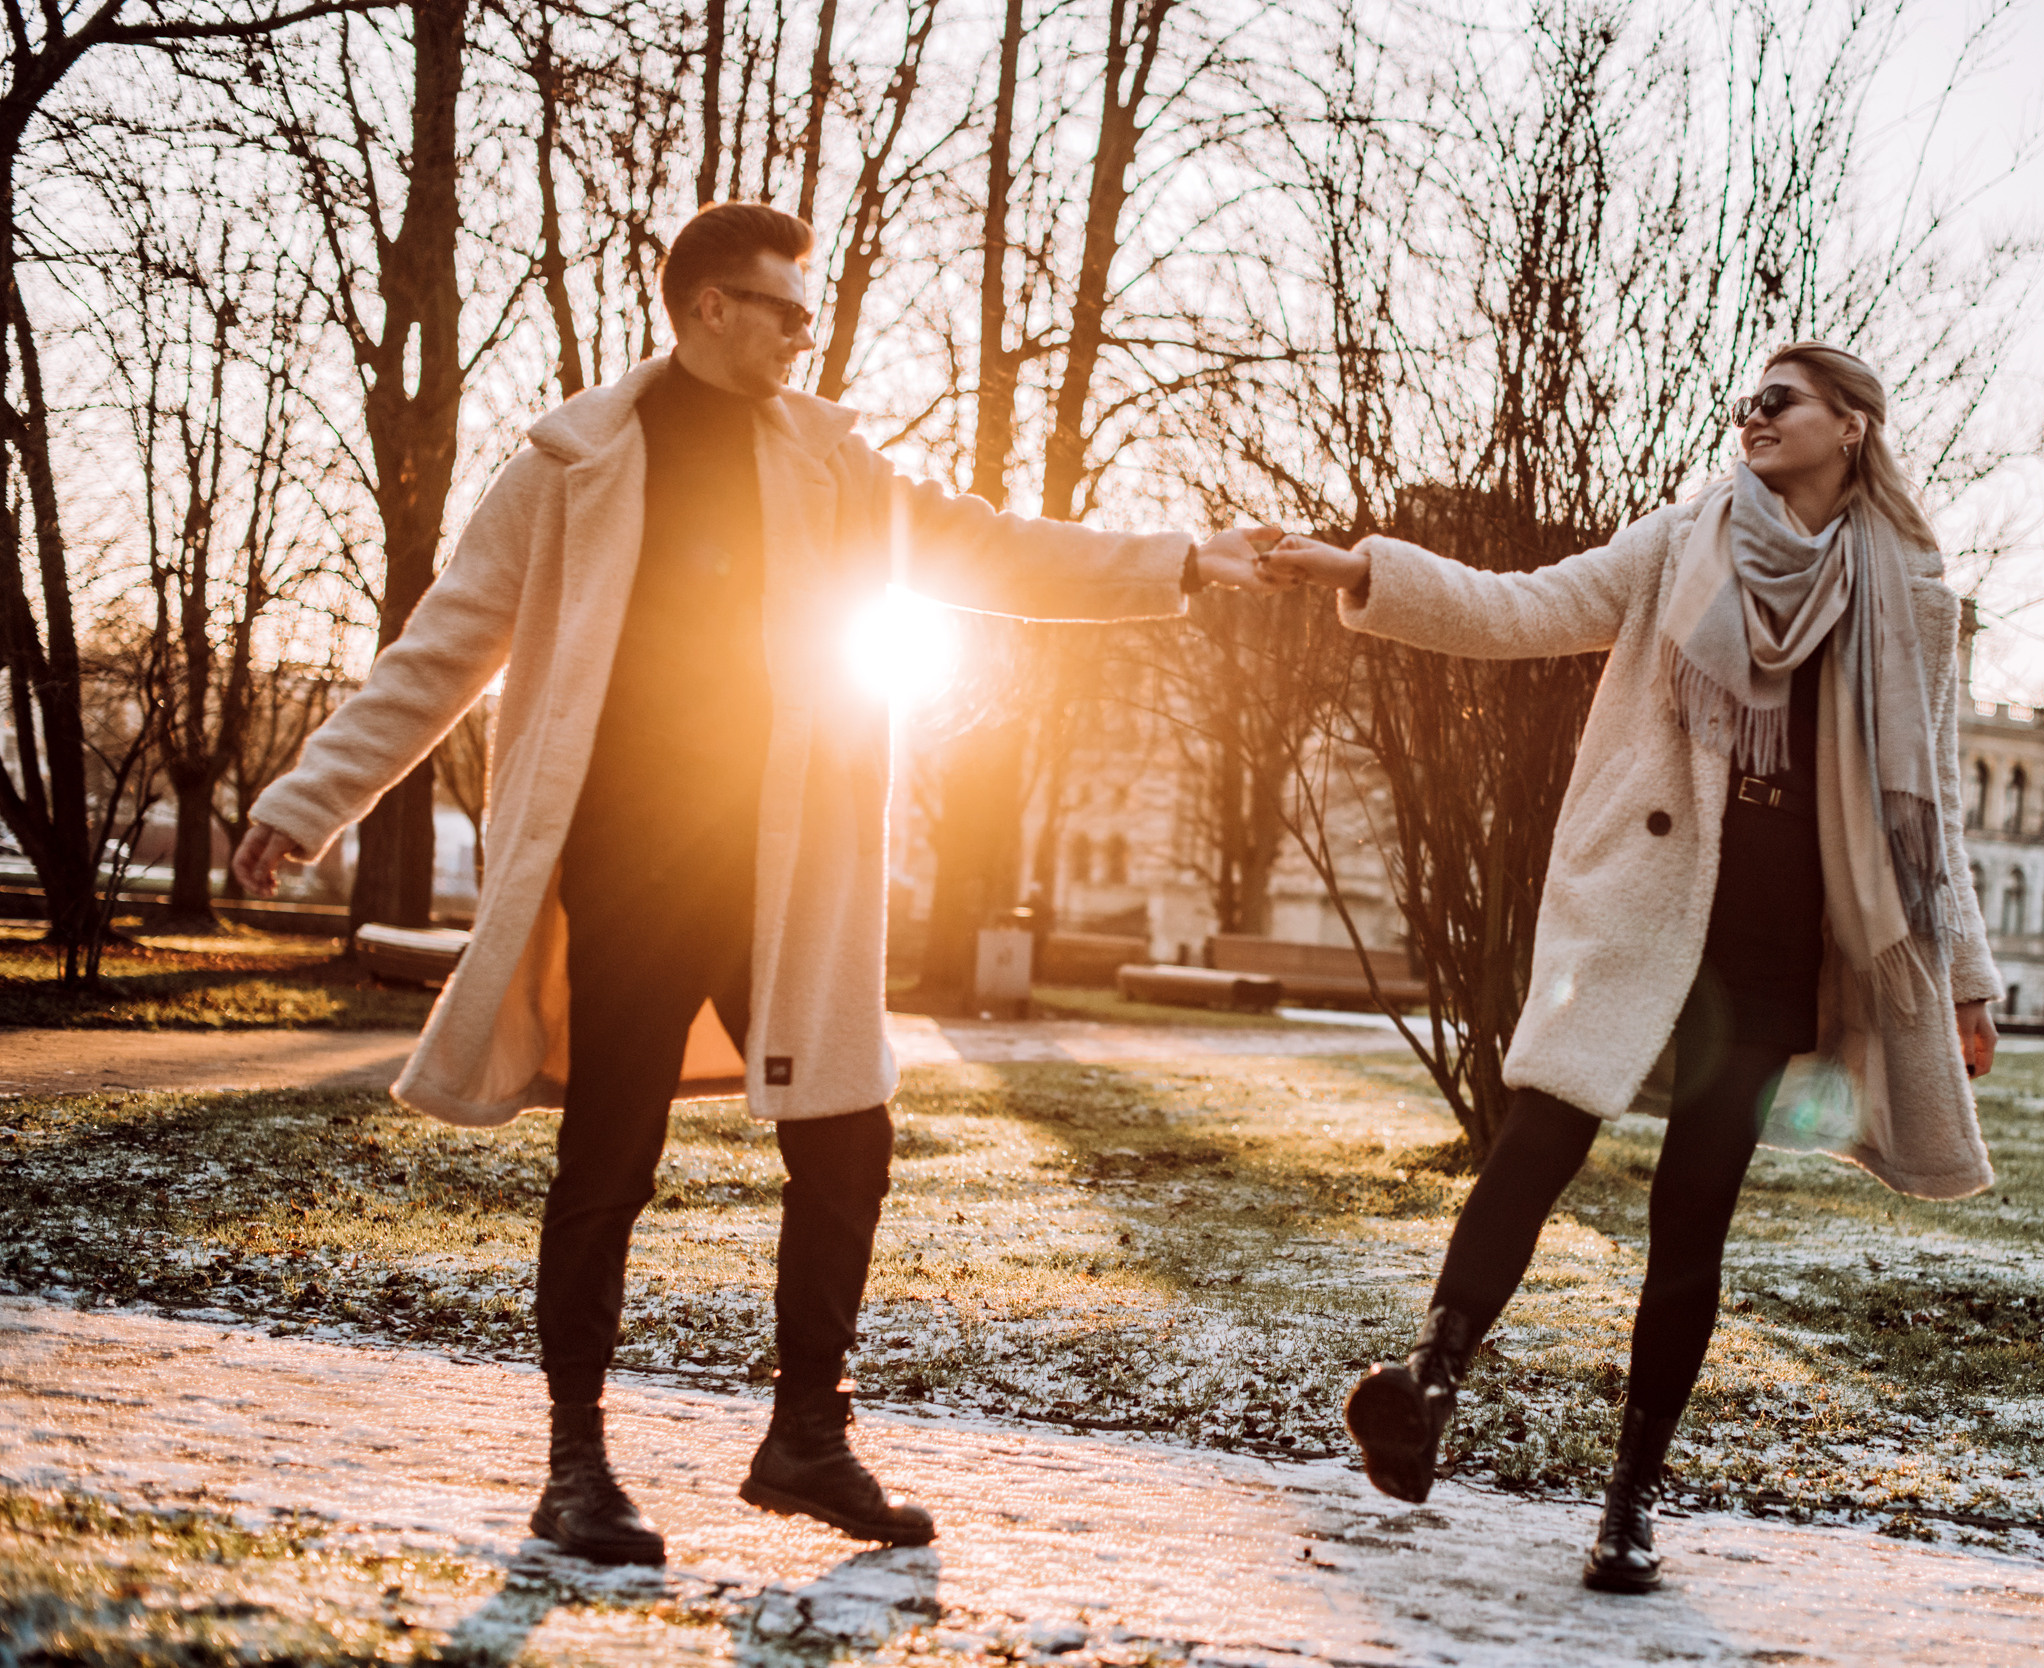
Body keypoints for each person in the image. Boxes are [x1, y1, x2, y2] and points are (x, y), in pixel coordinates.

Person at [233, 202, 1287, 1567]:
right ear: (708, 307)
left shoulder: (831, 466)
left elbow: (988, 547)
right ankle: (575, 1464)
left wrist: (1184, 560)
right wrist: (309, 803)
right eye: (788, 308)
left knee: (849, 1133)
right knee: (609, 1153)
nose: (810, 332)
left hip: (785, 870)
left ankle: (807, 1437)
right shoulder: (568, 467)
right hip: (626, 870)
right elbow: (439, 654)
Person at [1263, 342, 2002, 1594]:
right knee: (1538, 1131)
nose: (1753, 418)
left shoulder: (1912, 599)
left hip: (1781, 931)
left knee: (1690, 1218)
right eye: (1746, 404)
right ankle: (1427, 1384)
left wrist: (1966, 975)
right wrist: (1365, 573)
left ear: (1852, 428)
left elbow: (1925, 806)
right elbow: (1520, 607)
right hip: (1647, 898)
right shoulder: (1682, 541)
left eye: (1781, 401)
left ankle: (1629, 1505)